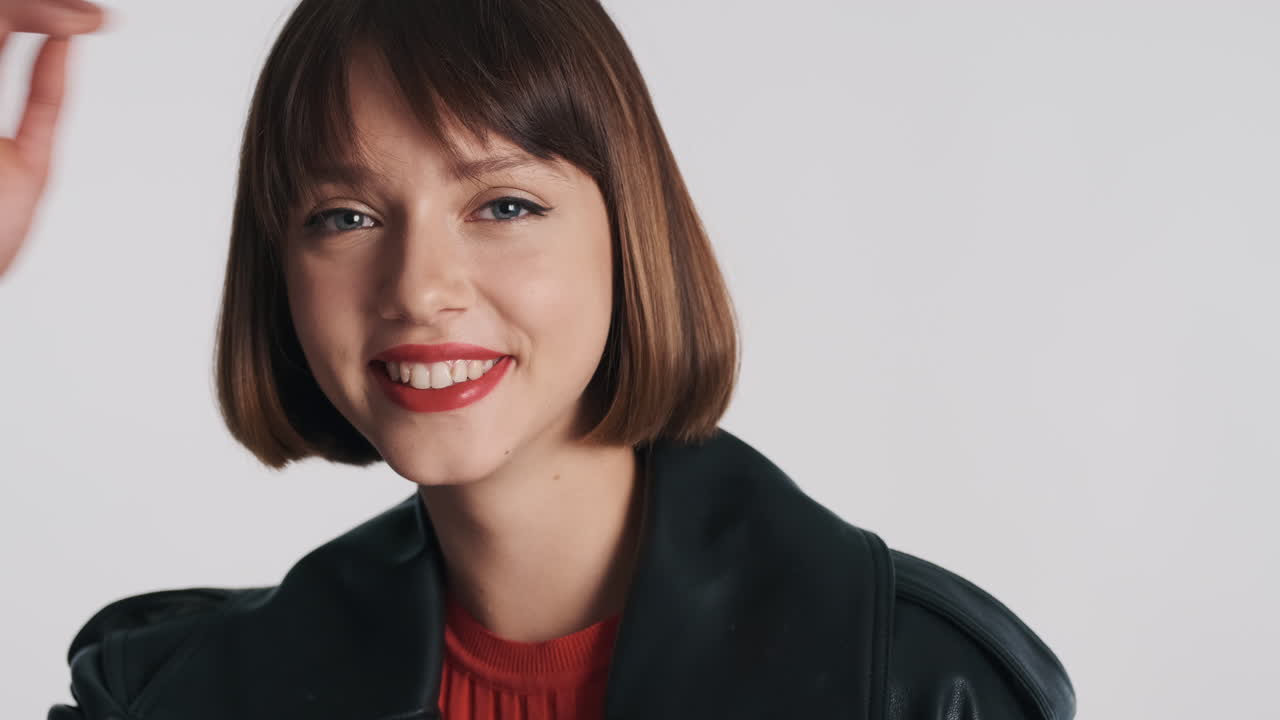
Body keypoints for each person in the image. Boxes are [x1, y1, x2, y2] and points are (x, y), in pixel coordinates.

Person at [6, 1, 1075, 718]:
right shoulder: (187, 695)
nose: (420, 286)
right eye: (343, 215)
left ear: (629, 235)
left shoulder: (915, 688)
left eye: (504, 204)